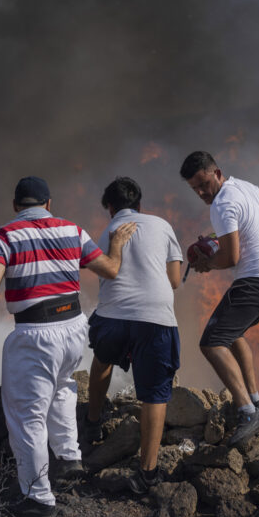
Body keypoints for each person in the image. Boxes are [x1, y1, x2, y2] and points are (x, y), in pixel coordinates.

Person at [0, 176, 136, 517]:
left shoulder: (4, 236)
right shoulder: (72, 230)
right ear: (48, 204)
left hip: (35, 332)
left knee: (26, 413)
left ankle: (38, 498)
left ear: (16, 206)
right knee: (63, 387)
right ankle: (68, 457)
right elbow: (111, 268)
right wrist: (117, 243)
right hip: (75, 326)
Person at [180, 151, 259, 446]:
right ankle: (256, 402)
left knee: (211, 343)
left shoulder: (222, 203)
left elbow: (231, 257)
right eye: (195, 189)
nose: (202, 193)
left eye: (204, 184)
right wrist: (247, 232)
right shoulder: (243, 186)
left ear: (216, 172)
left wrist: (207, 264)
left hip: (256, 281)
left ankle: (247, 411)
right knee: (232, 334)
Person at [83, 177, 183, 494]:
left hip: (111, 319)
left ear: (110, 208)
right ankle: (147, 472)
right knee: (154, 394)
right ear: (140, 205)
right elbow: (175, 281)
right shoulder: (162, 224)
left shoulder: (106, 232)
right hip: (155, 320)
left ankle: (93, 421)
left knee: (102, 360)